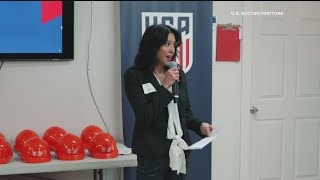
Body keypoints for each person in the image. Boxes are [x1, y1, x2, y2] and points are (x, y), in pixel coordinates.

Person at [123, 24, 214, 180]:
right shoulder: (134, 76)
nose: (172, 50)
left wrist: (200, 125)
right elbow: (145, 116)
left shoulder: (177, 74)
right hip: (151, 156)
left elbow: (184, 112)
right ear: (152, 46)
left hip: (179, 153)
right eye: (167, 44)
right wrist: (165, 86)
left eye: (174, 45)